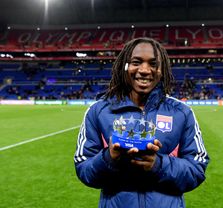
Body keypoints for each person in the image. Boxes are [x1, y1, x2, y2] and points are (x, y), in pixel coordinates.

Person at [74, 37, 209, 208]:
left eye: (153, 64)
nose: (144, 70)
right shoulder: (98, 112)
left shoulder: (182, 113)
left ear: (162, 70)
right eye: (136, 62)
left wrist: (159, 164)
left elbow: (197, 170)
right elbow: (84, 169)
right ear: (125, 66)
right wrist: (109, 158)